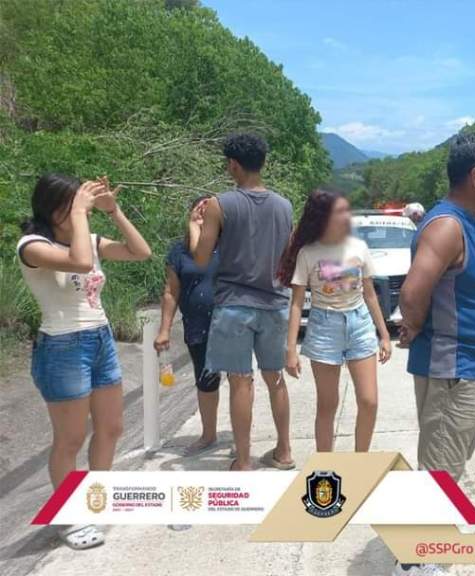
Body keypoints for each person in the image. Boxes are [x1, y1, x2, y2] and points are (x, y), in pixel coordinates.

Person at [395, 133, 475, 576]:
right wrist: (417, 323)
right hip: (452, 370)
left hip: (469, 367)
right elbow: (412, 291)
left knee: (449, 462)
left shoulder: (471, 220)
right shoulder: (447, 225)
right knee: (440, 467)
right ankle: (416, 562)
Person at [18, 174, 151, 549]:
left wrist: (114, 210)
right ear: (52, 207)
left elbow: (141, 252)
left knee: (111, 428)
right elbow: (77, 262)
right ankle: (70, 519)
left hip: (100, 339)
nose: (82, 210)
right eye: (72, 204)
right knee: (71, 438)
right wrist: (80, 211)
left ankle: (96, 501)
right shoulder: (32, 246)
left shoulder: (89, 240)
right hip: (62, 347)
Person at [191, 133, 294, 472]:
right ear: (263, 163)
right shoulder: (284, 205)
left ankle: (245, 460)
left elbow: (201, 258)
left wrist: (196, 226)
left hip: (235, 304)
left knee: (240, 381)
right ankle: (284, 451)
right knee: (274, 377)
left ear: (233, 165)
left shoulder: (221, 204)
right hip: (276, 303)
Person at [278, 189, 392, 452]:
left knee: (369, 401)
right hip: (324, 327)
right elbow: (295, 303)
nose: (347, 216)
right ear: (324, 217)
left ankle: (360, 461)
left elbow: (370, 294)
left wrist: (384, 334)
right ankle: (326, 466)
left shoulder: (359, 247)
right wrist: (291, 349)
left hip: (360, 323)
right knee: (327, 405)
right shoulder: (308, 253)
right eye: (341, 211)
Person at [154, 195, 222, 455]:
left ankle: (241, 436)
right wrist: (164, 329)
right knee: (205, 380)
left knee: (241, 380)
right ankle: (208, 434)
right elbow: (171, 291)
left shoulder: (229, 245)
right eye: (199, 207)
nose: (204, 212)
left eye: (210, 208)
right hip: (197, 324)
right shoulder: (178, 251)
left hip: (230, 322)